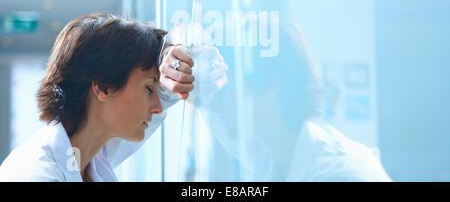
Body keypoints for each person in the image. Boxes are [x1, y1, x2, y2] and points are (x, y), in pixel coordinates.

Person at [0, 13, 227, 182]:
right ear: (103, 87)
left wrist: (169, 52)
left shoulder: (89, 156)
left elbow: (191, 41)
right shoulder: (35, 174)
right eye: (149, 89)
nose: (158, 107)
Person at [195, 18, 392, 181]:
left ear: (269, 85)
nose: (215, 104)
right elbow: (200, 98)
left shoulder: (338, 174)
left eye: (224, 89)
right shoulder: (272, 151)